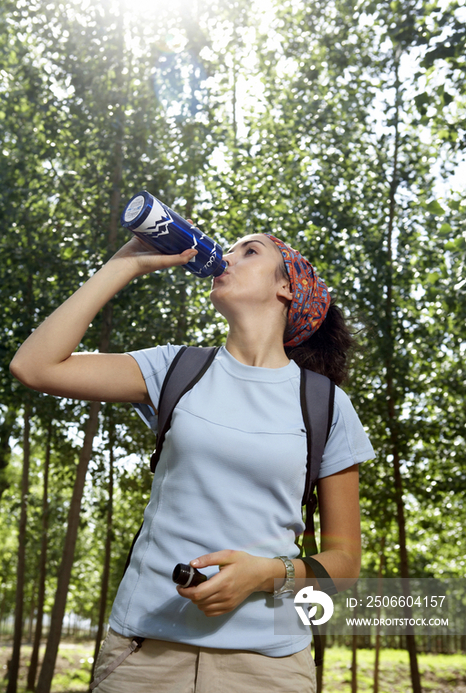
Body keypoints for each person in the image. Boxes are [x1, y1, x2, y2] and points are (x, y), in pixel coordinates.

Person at [10, 229, 375, 693]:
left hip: (269, 668)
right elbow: (34, 366)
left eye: (250, 250)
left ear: (286, 288)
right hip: (145, 654)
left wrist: (265, 574)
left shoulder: (325, 404)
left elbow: (343, 565)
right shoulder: (175, 369)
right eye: (230, 249)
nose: (228, 257)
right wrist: (124, 265)